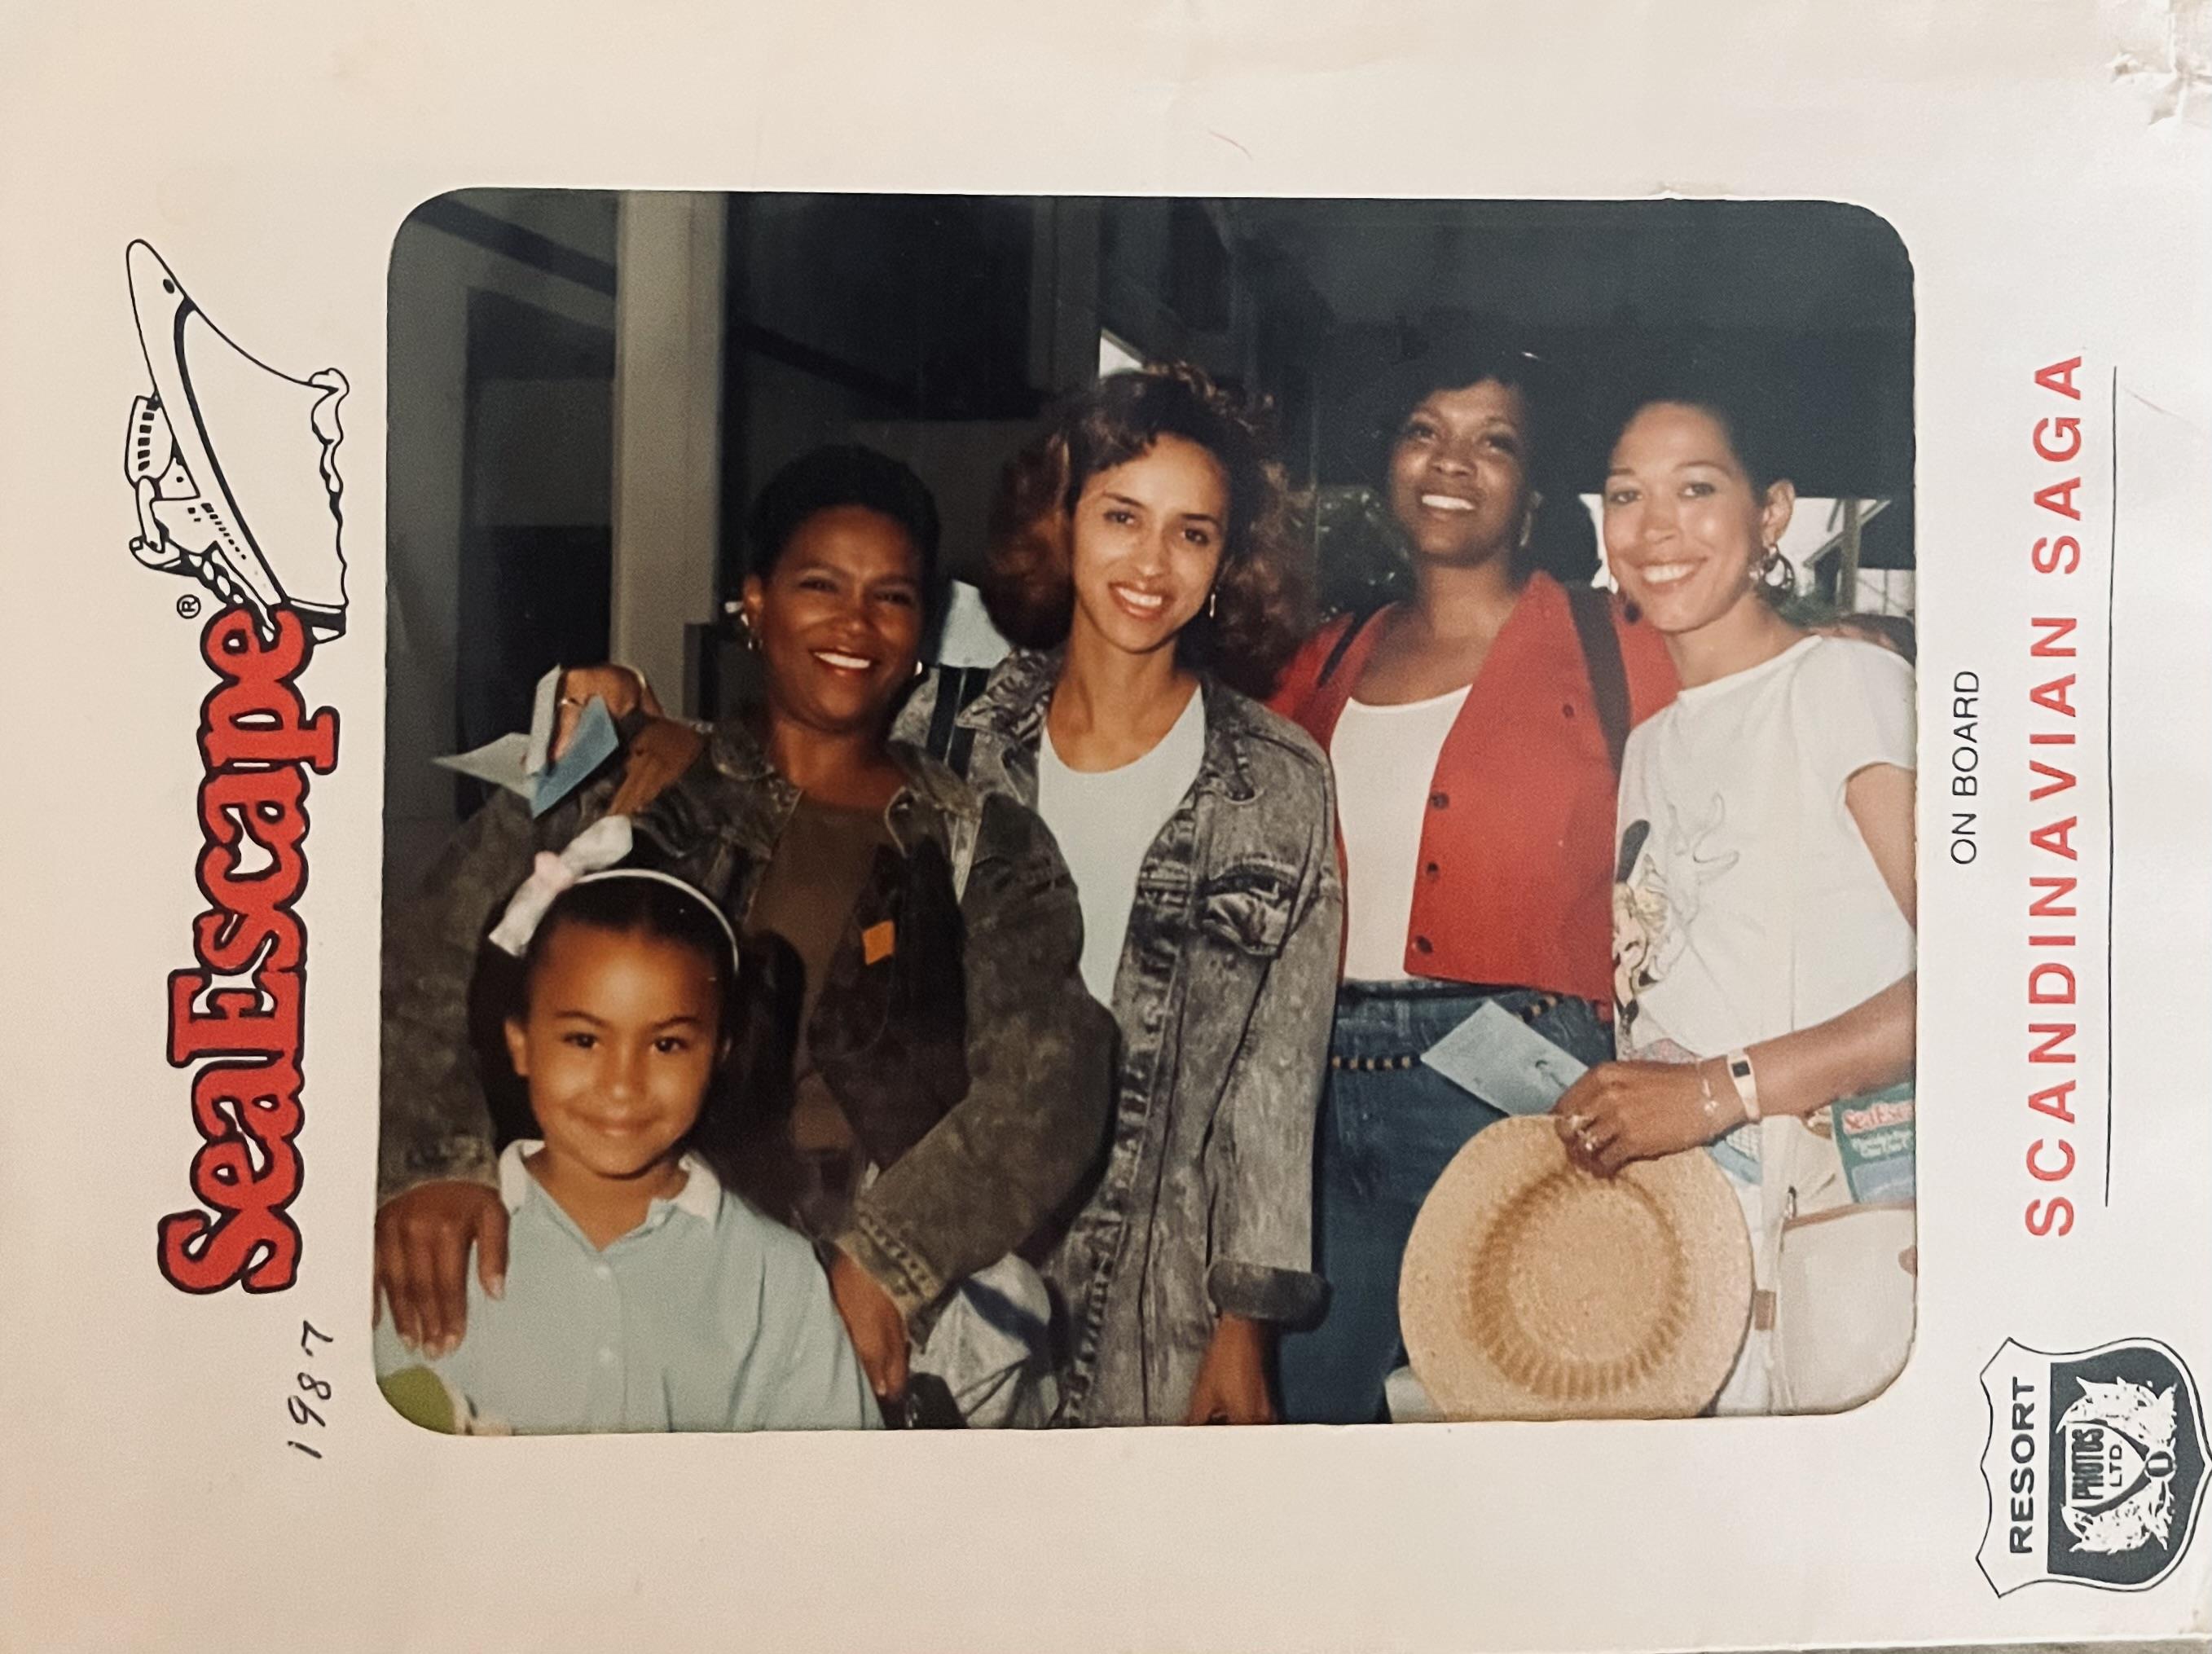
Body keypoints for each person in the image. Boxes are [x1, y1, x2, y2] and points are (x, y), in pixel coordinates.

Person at [376, 445, 1115, 1427]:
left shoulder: (982, 841)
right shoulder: (625, 777)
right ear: (755, 603)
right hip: (603, 1254)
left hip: (851, 1291)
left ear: (922, 628)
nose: (856, 623)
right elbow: (421, 958)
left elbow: (1055, 1076)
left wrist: (888, 1262)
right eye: (821, 585)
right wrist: (433, 1164)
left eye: (891, 597)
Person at [898, 363, 1341, 1427]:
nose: (1150, 562)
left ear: (1226, 559)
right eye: (1120, 516)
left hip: (1161, 1300)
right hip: (947, 1266)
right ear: (1059, 522)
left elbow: (1272, 1087)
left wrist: (1245, 1328)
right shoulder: (946, 737)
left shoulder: (1275, 777)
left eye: (1191, 532)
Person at [1268, 338, 1677, 1425]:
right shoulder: (1319, 659)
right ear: (1388, 463)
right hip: (1312, 1091)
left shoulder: (1617, 644)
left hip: (1514, 1087)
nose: (1451, 462)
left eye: (1491, 441)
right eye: (1423, 431)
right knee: (1310, 1424)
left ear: (1533, 490)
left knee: (1518, 1415)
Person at [1555, 389, 1916, 1415]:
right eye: (1627, 494)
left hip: (1830, 1233)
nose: (1656, 527)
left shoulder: (1845, 684)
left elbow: (1994, 980)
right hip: (1691, 1251)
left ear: (1772, 515)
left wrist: (1719, 1090)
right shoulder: (1654, 741)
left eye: (1697, 488)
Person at [375, 870, 878, 1434]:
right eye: (584, 1040)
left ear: (717, 1054)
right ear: (520, 1043)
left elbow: (831, 1493)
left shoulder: (778, 1278)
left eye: (666, 1045)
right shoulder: (425, 1245)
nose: (622, 1085)